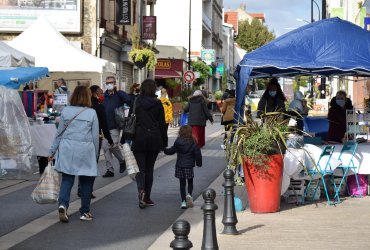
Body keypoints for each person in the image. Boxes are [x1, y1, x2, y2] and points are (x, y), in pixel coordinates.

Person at [48, 85, 99, 222]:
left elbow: (59, 134)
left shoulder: (66, 111)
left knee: (67, 178)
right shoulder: (92, 113)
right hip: (85, 149)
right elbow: (95, 137)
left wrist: (51, 151)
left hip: (67, 148)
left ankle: (63, 205)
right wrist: (96, 155)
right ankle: (84, 212)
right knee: (86, 181)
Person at [131, 79, 168, 209]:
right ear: (153, 89)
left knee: (141, 169)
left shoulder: (137, 102)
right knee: (149, 169)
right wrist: (164, 142)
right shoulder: (158, 104)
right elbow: (162, 125)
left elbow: (130, 118)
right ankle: (147, 197)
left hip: (139, 138)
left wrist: (126, 138)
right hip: (154, 138)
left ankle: (141, 190)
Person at [77, 85, 114, 198]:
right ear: (94, 93)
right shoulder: (99, 107)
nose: (102, 95)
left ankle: (80, 188)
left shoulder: (82, 107)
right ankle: (88, 190)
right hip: (94, 139)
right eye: (100, 92)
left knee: (83, 164)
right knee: (92, 164)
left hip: (81, 139)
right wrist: (110, 139)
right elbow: (104, 125)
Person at [164, 125, 202, 209]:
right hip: (189, 166)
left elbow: (171, 151)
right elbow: (197, 154)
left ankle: (183, 202)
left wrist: (164, 150)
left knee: (182, 184)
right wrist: (199, 163)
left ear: (180, 132)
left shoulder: (178, 141)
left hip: (180, 165)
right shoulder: (193, 141)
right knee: (190, 182)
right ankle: (189, 195)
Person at [101, 76, 131, 177]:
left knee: (111, 145)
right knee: (105, 147)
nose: (109, 84)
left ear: (114, 83)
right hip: (105, 126)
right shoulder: (103, 95)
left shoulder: (119, 94)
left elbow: (128, 100)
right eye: (107, 82)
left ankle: (122, 161)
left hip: (115, 125)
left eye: (111, 82)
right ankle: (110, 169)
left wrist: (120, 93)